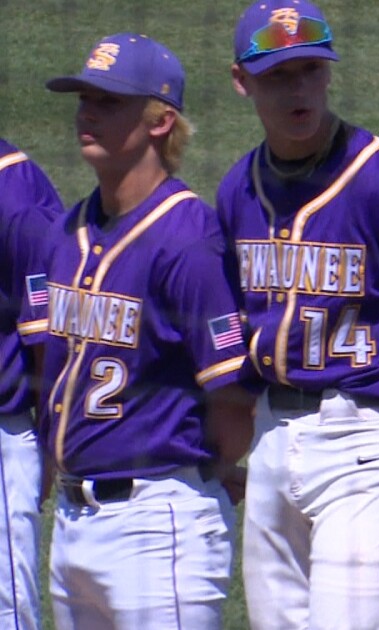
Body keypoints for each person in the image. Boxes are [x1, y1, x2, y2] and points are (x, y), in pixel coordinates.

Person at [219, 1, 379, 627]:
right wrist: (223, 456)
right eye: (279, 74)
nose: (299, 89)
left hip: (368, 446)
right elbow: (227, 347)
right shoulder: (235, 191)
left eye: (310, 69)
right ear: (241, 80)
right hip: (271, 448)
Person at [18, 33, 253, 629]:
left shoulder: (188, 239)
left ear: (160, 120)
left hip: (159, 527)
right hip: (72, 526)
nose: (87, 113)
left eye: (110, 101)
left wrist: (209, 468)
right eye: (83, 98)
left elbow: (232, 394)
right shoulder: (66, 230)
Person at [1, 139, 63, 629]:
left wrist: (48, 442)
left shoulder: (17, 199)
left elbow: (50, 343)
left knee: (8, 610)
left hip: (3, 436)